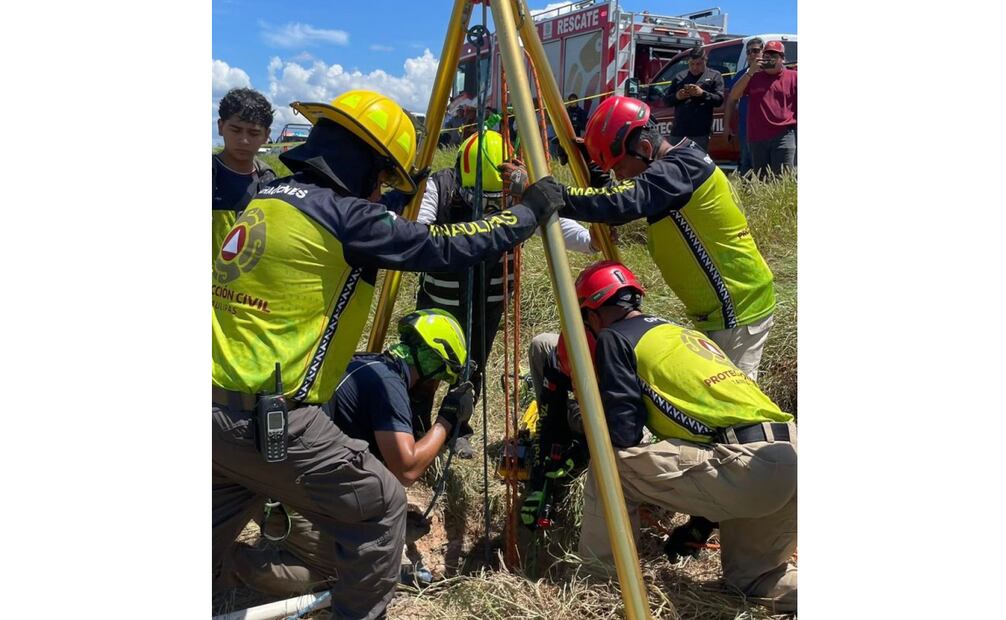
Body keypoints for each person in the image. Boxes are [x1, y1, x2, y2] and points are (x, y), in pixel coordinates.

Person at [212, 89, 564, 620]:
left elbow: (382, 226)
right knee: (381, 506)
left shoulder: (267, 197)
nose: (381, 190)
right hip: (270, 419)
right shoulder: (344, 215)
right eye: (382, 177)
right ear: (362, 164)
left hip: (208, 409)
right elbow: (441, 246)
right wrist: (525, 214)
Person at [571, 261, 797, 613]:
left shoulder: (614, 339)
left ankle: (598, 584)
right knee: (755, 579)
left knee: (608, 465)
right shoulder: (679, 334)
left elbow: (622, 435)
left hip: (750, 468)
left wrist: (580, 416)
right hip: (791, 453)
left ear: (591, 314)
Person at [504, 96, 775, 380]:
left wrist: (543, 193)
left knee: (733, 406)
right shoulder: (677, 167)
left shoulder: (680, 169)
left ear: (645, 148)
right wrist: (595, 168)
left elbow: (622, 202)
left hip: (738, 309)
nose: (619, 178)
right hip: (722, 309)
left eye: (620, 168)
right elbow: (619, 202)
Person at [227, 309, 475, 597]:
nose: (434, 387)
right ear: (431, 365)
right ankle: (226, 564)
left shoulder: (366, 363)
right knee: (345, 573)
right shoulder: (389, 386)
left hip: (271, 473)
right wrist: (446, 420)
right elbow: (406, 469)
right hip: (286, 492)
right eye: (440, 378)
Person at [407, 129, 599, 458]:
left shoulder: (521, 192)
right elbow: (416, 234)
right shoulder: (439, 185)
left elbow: (578, 237)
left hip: (489, 298)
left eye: (496, 202)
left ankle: (457, 430)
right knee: (426, 366)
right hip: (440, 298)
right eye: (478, 198)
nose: (488, 209)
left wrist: (592, 215)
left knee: (473, 366)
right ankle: (415, 425)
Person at [213, 88, 276, 258]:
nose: (244, 140)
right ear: (220, 126)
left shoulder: (269, 182)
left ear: (266, 135)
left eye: (253, 133)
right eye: (235, 130)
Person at [725, 40, 796, 177]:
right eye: (767, 56)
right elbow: (734, 96)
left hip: (784, 135)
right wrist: (750, 72)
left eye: (774, 56)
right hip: (756, 136)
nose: (770, 59)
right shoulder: (752, 76)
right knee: (761, 179)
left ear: (782, 58)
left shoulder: (793, 76)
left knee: (783, 180)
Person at [664, 46, 725, 152]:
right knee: (675, 163)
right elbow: (666, 101)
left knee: (697, 165)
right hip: (678, 132)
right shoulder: (679, 77)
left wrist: (702, 94)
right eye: (692, 64)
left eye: (698, 64)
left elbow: (719, 100)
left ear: (705, 61)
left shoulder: (715, 76)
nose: (695, 68)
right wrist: (677, 96)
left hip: (700, 132)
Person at [723, 38, 763, 177]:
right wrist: (727, 126)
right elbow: (731, 101)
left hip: (768, 130)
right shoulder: (741, 75)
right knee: (746, 166)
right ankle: (746, 196)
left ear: (763, 52)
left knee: (764, 168)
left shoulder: (769, 74)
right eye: (749, 52)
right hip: (746, 129)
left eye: (756, 51)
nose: (752, 54)